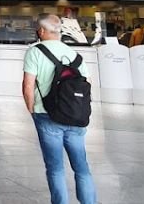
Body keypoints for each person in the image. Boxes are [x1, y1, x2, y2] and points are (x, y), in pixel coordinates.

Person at [23, 14, 96, 204]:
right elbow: (87, 84)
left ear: (41, 31)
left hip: (47, 115)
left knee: (55, 168)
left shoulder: (35, 52)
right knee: (81, 167)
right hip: (75, 116)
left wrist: (32, 109)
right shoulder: (75, 56)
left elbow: (28, 85)